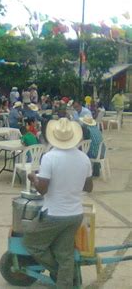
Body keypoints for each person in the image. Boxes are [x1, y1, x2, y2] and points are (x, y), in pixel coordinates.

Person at [24, 118, 93, 288]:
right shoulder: (84, 158)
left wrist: (33, 177)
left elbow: (43, 190)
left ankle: (61, 273)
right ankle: (66, 281)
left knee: (32, 244)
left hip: (55, 214)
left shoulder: (50, 157)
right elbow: (89, 187)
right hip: (75, 214)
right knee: (65, 254)